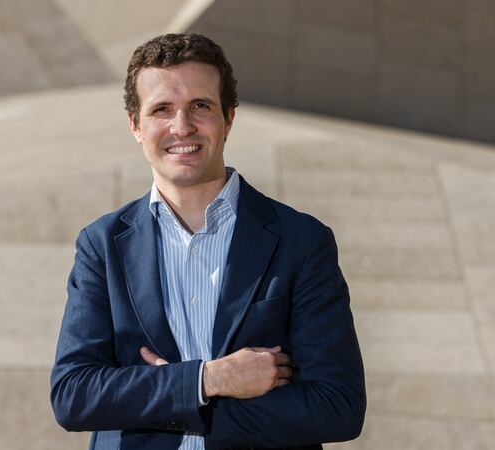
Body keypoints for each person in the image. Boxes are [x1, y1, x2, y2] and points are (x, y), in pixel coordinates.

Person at [50, 33, 365, 450]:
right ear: (135, 125)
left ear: (228, 117)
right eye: (161, 109)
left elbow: (337, 406)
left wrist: (163, 399)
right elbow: (74, 395)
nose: (182, 126)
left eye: (200, 106)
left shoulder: (302, 241)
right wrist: (209, 380)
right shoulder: (102, 245)